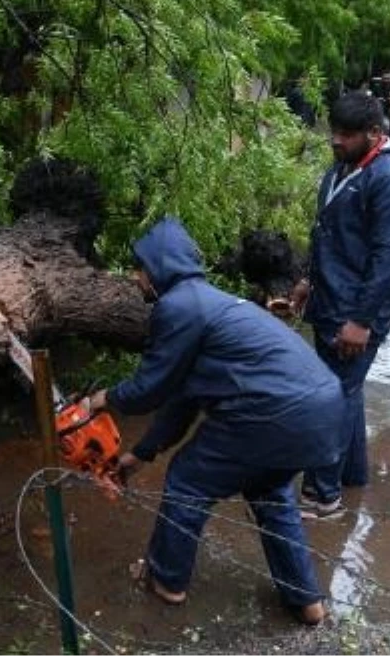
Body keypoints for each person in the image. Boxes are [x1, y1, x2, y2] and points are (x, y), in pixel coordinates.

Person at [82, 217, 344, 626]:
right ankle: (307, 601)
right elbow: (182, 401)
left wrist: (102, 400)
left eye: (139, 268)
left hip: (273, 412)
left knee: (189, 478)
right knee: (271, 492)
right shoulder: (210, 302)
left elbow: (150, 390)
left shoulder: (178, 305)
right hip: (324, 410)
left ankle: (167, 582)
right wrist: (140, 455)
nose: (136, 279)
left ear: (157, 268)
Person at [290, 91, 390, 519]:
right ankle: (352, 474)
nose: (335, 141)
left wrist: (362, 321)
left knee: (331, 396)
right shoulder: (342, 168)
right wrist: (308, 279)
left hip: (355, 312)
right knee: (345, 391)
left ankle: (322, 496)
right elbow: (325, 229)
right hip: (330, 301)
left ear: (375, 134)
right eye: (334, 132)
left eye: (346, 134)